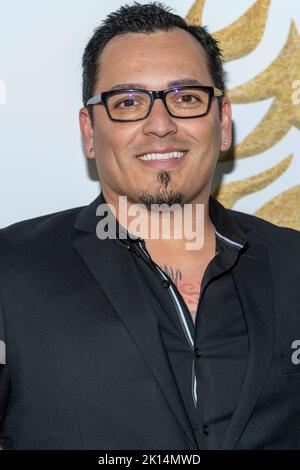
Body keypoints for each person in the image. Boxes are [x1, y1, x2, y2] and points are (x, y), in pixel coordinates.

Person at [0, 1, 300, 451]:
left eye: (186, 98)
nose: (160, 124)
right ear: (89, 131)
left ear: (222, 123)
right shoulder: (10, 269)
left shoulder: (292, 262)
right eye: (128, 101)